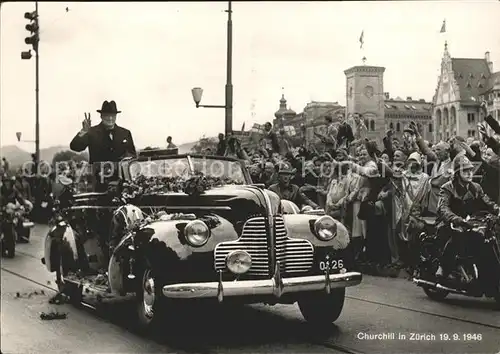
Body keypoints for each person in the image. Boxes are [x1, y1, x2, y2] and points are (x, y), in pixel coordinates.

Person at [435, 156, 500, 280]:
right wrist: (455, 219)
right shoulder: (447, 187)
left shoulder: (475, 187)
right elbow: (443, 208)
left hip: (469, 221)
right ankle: (443, 266)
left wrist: (498, 209)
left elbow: (487, 202)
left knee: (489, 234)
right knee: (458, 234)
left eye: (471, 170)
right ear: (458, 173)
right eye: (465, 171)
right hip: (449, 222)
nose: (470, 173)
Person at [70, 100, 136, 190]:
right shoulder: (92, 132)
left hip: (123, 183)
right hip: (99, 183)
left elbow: (132, 156)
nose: (110, 118)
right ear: (101, 116)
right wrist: (84, 131)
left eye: (112, 115)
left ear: (116, 116)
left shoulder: (125, 133)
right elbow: (75, 147)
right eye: (107, 115)